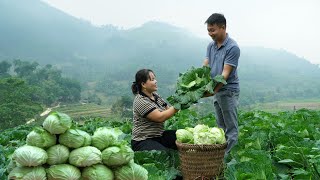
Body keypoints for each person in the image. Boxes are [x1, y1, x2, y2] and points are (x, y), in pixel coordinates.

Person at [203, 13, 240, 154]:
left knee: (231, 128)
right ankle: (221, 156)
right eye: (208, 30)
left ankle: (228, 160)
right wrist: (199, 83)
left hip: (228, 90)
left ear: (223, 27)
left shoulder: (232, 48)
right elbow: (205, 66)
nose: (210, 33)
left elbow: (225, 74)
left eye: (213, 30)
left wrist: (212, 91)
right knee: (220, 127)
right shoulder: (210, 46)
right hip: (217, 90)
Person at [131, 69, 179, 151]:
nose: (156, 81)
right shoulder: (140, 100)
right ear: (143, 84)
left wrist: (185, 99)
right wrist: (179, 105)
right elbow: (159, 117)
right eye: (152, 80)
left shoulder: (155, 96)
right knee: (163, 155)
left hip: (159, 136)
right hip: (143, 140)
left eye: (155, 79)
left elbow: (168, 109)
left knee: (181, 137)